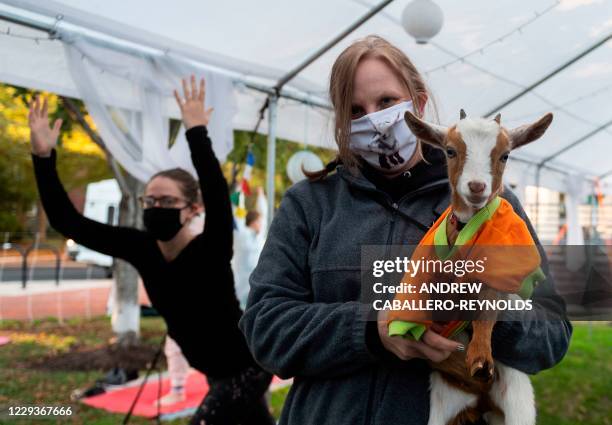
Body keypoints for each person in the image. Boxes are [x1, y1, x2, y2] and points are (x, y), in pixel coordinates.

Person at [239, 35, 572, 424]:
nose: (373, 120)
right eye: (355, 111)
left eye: (385, 102)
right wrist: (370, 330)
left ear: (418, 102)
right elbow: (264, 327)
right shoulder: (310, 204)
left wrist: (477, 308)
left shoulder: (497, 208)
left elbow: (552, 335)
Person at [28, 76, 275, 425]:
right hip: (215, 372)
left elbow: (218, 194)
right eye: (151, 199)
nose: (156, 206)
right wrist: (43, 157)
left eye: (168, 200)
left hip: (247, 366)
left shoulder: (211, 247)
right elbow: (68, 222)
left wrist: (196, 132)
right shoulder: (141, 247)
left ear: (192, 209)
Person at [232, 186, 268, 309]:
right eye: (258, 221)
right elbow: (238, 216)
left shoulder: (259, 236)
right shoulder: (242, 234)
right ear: (252, 222)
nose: (261, 224)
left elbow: (264, 213)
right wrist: (239, 195)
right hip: (241, 284)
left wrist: (261, 195)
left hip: (256, 285)